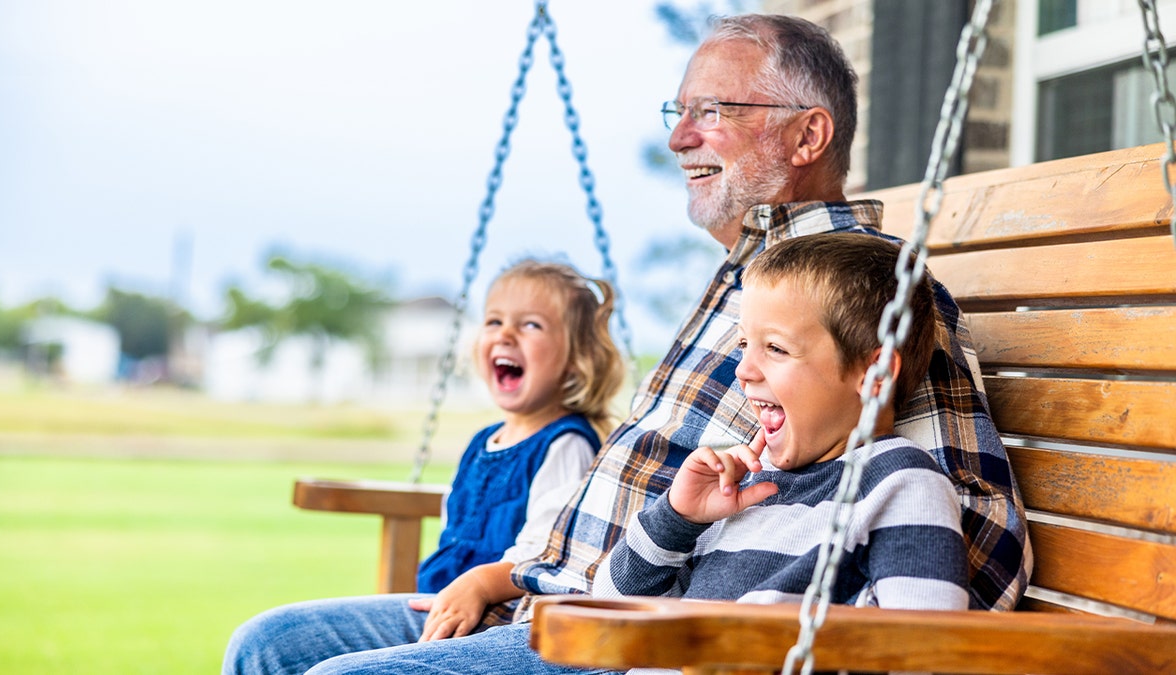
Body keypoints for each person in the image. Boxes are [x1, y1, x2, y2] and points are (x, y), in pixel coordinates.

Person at [223, 13, 1030, 675]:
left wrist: (779, 630)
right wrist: (511, 572)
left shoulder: (861, 295)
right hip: (557, 595)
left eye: (713, 111)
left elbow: (975, 539)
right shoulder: (750, 284)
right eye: (676, 113)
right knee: (266, 644)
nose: (680, 138)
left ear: (807, 135)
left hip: (633, 639)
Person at [223, 259, 624, 672]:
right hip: (444, 608)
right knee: (264, 640)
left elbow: (547, 557)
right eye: (493, 321)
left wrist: (480, 584)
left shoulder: (568, 444)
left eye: (531, 325)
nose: (504, 334)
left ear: (578, 358)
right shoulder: (483, 442)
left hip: (503, 620)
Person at [592, 233, 969, 619]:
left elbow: (928, 647)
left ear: (874, 375)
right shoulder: (745, 487)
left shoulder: (901, 485)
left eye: (775, 348)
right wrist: (676, 518)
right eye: (743, 345)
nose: (742, 370)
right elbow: (607, 612)